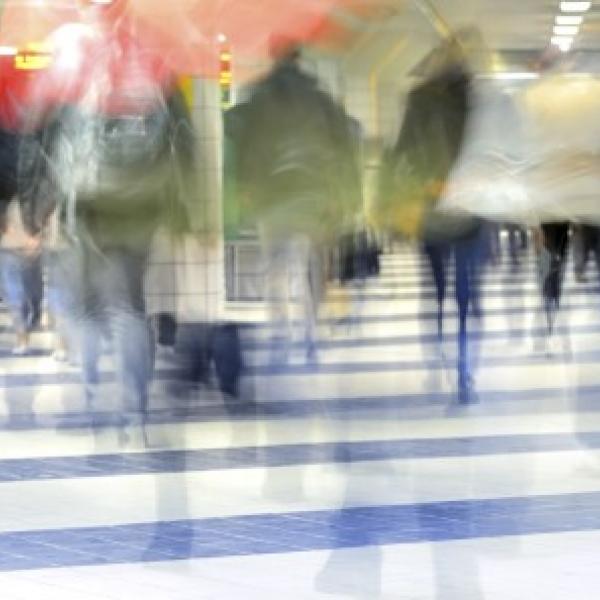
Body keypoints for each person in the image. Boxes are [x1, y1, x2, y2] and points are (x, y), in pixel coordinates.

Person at [20, 0, 196, 435]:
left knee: (83, 305)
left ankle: (89, 388)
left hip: (89, 200)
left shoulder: (69, 53)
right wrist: (185, 205)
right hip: (142, 198)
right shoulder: (153, 56)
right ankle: (135, 413)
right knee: (131, 306)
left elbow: (38, 135)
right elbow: (183, 134)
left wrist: (33, 210)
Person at [234, 39, 361, 364]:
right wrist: (348, 197)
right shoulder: (320, 98)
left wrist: (246, 189)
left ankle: (280, 333)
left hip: (272, 197)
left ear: (272, 56)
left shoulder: (258, 97)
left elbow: (245, 147)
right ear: (299, 58)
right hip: (314, 196)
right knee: (313, 267)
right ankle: (310, 334)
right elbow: (343, 149)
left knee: (274, 267)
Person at [387, 30, 485, 403]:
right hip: (472, 204)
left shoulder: (419, 99)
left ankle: (438, 351)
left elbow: (401, 155)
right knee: (467, 289)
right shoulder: (481, 99)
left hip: (431, 202)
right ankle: (465, 370)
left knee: (437, 286)